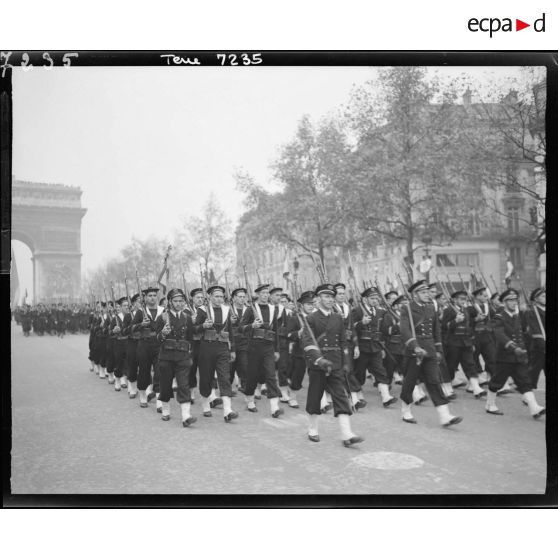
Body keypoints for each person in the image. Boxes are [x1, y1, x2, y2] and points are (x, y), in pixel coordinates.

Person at [299, 284, 363, 446]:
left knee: (341, 397)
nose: (330, 299)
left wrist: (346, 363)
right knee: (315, 396)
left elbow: (343, 342)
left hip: (335, 363)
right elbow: (307, 342)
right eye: (326, 296)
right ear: (318, 299)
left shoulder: (337, 318)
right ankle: (313, 429)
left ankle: (347, 434)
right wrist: (319, 360)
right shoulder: (311, 318)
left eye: (331, 297)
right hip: (318, 364)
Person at [399, 280, 463, 427]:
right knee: (410, 382)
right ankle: (406, 411)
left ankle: (444, 416)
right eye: (423, 292)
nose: (427, 295)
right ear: (415, 294)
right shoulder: (407, 308)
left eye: (428, 292)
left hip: (430, 351)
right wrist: (414, 346)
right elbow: (405, 330)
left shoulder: (430, 308)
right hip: (414, 352)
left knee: (434, 381)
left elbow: (436, 331)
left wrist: (439, 350)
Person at [485, 289, 545, 419]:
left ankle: (534, 408)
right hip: (505, 356)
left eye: (515, 300)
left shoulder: (517, 316)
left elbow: (522, 334)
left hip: (519, 356)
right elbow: (499, 334)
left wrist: (524, 349)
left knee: (525, 381)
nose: (514, 302)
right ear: (504, 302)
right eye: (510, 300)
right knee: (497, 381)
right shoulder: (499, 317)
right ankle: (490, 404)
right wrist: (513, 347)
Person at [194, 285, 238, 422]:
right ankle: (206, 404)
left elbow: (230, 331)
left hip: (223, 348)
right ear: (210, 297)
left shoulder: (227, 310)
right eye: (216, 296)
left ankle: (227, 410)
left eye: (221, 297)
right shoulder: (202, 311)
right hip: (206, 347)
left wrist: (233, 349)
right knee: (206, 378)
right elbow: (193, 329)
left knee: (224, 377)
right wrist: (203, 326)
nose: (219, 299)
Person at [239, 284, 283, 416]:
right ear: (257, 294)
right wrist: (252, 325)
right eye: (263, 293)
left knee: (270, 375)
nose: (265, 295)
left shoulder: (272, 308)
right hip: (253, 346)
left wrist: (276, 349)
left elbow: (275, 330)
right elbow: (241, 327)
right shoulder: (250, 309)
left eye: (267, 293)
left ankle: (274, 407)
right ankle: (250, 399)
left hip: (268, 346)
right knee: (252, 375)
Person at [155, 288, 197, 426]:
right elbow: (157, 339)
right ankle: (166, 409)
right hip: (166, 357)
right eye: (175, 301)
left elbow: (190, 338)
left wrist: (190, 356)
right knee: (166, 385)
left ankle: (186, 416)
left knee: (184, 385)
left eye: (181, 301)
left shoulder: (187, 318)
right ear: (170, 302)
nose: (179, 304)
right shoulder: (162, 317)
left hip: (183, 357)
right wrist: (163, 333)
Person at [352, 287, 397, 408]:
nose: (375, 301)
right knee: (359, 374)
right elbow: (350, 329)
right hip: (362, 347)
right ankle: (356, 398)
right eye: (372, 298)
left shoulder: (380, 312)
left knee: (381, 371)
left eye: (376, 298)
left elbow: (382, 331)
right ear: (365, 299)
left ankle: (386, 397)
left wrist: (382, 347)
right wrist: (361, 323)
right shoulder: (357, 311)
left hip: (375, 347)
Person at [441, 291, 486, 398]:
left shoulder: (465, 310)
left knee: (470, 364)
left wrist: (471, 341)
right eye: (461, 299)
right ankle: (446, 388)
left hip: (465, 342)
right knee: (451, 366)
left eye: (464, 299)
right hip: (453, 343)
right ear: (454, 300)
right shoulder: (448, 310)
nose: (463, 301)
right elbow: (444, 326)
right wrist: (455, 321)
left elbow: (468, 326)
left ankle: (476, 388)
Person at [131, 287, 164, 409]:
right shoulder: (141, 311)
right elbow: (132, 328)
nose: (152, 298)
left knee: (159, 371)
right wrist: (141, 325)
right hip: (144, 344)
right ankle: (143, 394)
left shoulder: (163, 310)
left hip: (159, 344)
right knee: (144, 371)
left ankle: (160, 400)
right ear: (145, 298)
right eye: (149, 295)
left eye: (154, 295)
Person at [334, 283, 365, 408]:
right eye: (339, 294)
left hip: (348, 344)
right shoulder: (331, 309)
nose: (342, 296)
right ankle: (354, 397)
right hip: (336, 344)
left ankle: (353, 398)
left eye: (343, 293)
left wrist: (356, 345)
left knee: (349, 369)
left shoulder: (347, 307)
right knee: (343, 371)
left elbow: (352, 328)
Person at [286, 290, 315, 408]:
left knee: (317, 376)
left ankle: (321, 401)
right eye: (308, 304)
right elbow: (288, 334)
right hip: (300, 352)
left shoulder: (316, 317)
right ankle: (292, 397)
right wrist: (298, 333)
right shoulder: (295, 318)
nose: (311, 306)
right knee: (298, 375)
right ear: (302, 305)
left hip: (314, 351)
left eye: (312, 304)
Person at [471, 287, 497, 388]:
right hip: (475, 336)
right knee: (474, 358)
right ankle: (475, 380)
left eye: (486, 295)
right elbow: (467, 322)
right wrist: (475, 319)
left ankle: (493, 378)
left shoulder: (489, 308)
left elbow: (496, 319)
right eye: (483, 295)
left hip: (487, 336)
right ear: (477, 296)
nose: (486, 297)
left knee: (492, 357)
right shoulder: (471, 308)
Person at [229, 287, 248, 393]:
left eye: (243, 297)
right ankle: (228, 388)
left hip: (244, 341)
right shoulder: (228, 309)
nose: (242, 299)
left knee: (244, 365)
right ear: (234, 298)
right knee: (230, 367)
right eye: (239, 297)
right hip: (232, 342)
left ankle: (245, 388)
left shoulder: (249, 309)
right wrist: (229, 321)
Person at [526, 287, 545, 389]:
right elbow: (535, 329)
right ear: (536, 299)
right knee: (533, 373)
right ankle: (527, 395)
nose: (545, 297)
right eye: (543, 296)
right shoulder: (532, 312)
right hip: (539, 347)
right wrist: (543, 344)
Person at [122, 293, 141, 398]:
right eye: (138, 300)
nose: (141, 302)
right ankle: (133, 387)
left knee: (144, 367)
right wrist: (133, 327)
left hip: (144, 342)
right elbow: (124, 331)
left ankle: (146, 389)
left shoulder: (145, 314)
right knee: (132, 366)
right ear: (133, 303)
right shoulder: (129, 316)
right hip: (133, 343)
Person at [110, 297, 130, 392]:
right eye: (124, 306)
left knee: (129, 362)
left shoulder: (131, 317)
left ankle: (125, 379)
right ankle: (117, 379)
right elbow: (110, 332)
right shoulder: (116, 318)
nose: (127, 307)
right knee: (118, 362)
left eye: (128, 305)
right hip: (118, 343)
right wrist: (114, 330)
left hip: (129, 342)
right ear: (121, 307)